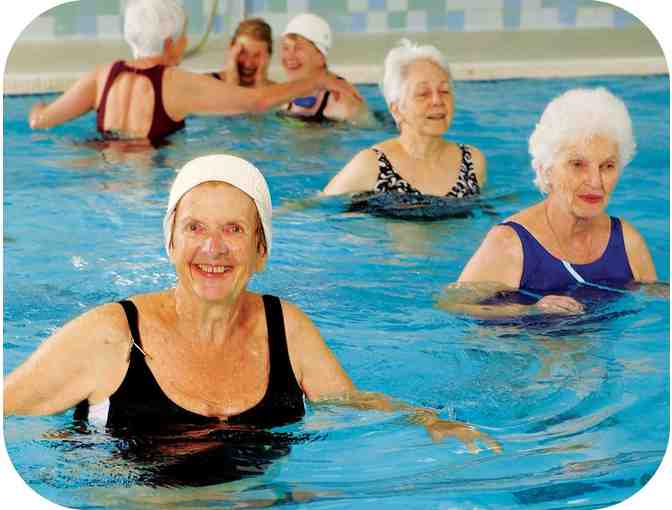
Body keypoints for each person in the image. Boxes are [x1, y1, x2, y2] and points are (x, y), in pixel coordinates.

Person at [4, 154, 500, 457]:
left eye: (234, 229)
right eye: (195, 228)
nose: (213, 248)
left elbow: (348, 401)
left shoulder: (286, 327)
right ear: (170, 242)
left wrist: (427, 418)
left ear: (261, 251)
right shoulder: (111, 335)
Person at [441, 88, 658, 317]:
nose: (595, 181)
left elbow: (657, 305)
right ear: (546, 170)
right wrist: (529, 310)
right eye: (577, 164)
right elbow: (451, 307)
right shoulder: (509, 244)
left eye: (608, 166)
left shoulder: (626, 241)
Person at [28, 0, 359, 144]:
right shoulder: (175, 83)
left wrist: (39, 108)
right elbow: (257, 102)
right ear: (170, 42)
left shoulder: (102, 75)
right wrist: (316, 80)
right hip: (147, 187)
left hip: (103, 179)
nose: (187, 41)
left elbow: (40, 121)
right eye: (184, 35)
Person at [323, 39, 486, 197]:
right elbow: (319, 205)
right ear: (396, 109)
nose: (437, 101)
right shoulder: (372, 165)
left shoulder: (471, 162)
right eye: (423, 93)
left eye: (444, 91)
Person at [279, 13, 368, 123]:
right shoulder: (285, 99)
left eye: (299, 48)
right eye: (285, 48)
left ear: (320, 57)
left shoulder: (341, 103)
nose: (289, 56)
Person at [209, 18, 274, 88]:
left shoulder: (277, 91)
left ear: (269, 56)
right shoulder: (206, 81)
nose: (248, 64)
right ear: (231, 50)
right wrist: (232, 80)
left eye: (257, 55)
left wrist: (261, 84)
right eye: (243, 53)